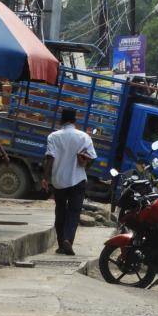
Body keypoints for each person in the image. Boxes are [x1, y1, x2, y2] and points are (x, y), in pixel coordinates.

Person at [42, 109, 97, 255]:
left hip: (59, 181)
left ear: (61, 121)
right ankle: (68, 240)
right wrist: (84, 163)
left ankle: (61, 244)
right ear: (74, 121)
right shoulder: (84, 137)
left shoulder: (53, 136)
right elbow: (91, 159)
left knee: (60, 211)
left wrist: (45, 178)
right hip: (78, 180)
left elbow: (50, 158)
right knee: (74, 212)